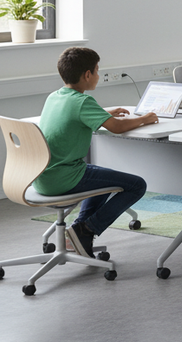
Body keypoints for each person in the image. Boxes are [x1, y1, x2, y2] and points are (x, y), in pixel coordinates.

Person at [36, 47, 158, 257]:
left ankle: (79, 233)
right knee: (137, 185)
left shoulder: (55, 96)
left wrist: (104, 113)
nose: (98, 76)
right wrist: (144, 119)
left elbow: (75, 114)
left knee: (102, 177)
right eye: (97, 71)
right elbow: (117, 127)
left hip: (41, 176)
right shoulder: (83, 102)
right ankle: (87, 229)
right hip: (63, 178)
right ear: (87, 75)